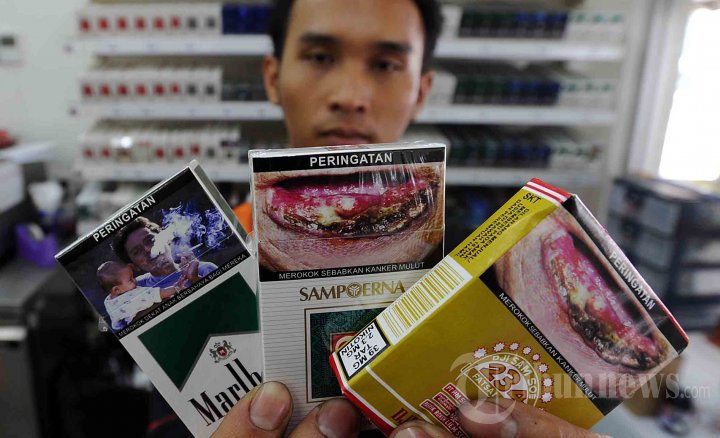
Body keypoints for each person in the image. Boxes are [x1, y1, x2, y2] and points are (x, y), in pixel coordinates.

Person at [216, 1, 605, 437]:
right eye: (320, 57)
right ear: (273, 77)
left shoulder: (475, 270)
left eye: (386, 64)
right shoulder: (210, 270)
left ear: (421, 91)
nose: (350, 97)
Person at [113, 216, 217, 289]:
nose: (147, 249)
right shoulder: (135, 290)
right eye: (137, 251)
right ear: (134, 266)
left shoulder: (204, 270)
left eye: (151, 240)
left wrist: (196, 280)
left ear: (166, 239)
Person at [97, 261, 183, 330]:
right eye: (130, 280)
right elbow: (159, 293)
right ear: (116, 290)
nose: (135, 280)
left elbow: (116, 324)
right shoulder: (133, 295)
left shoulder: (108, 301)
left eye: (133, 277)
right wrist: (176, 287)